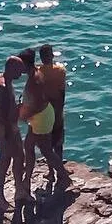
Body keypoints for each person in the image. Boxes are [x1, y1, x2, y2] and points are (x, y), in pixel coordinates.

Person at [17, 49, 67, 198]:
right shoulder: (35, 74)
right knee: (29, 146)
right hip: (40, 116)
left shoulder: (35, 80)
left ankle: (63, 176)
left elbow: (38, 105)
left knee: (46, 151)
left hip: (41, 118)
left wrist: (22, 115)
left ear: (25, 64)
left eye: (19, 64)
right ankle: (27, 179)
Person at [0, 54, 26, 211]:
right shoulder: (2, 87)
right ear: (11, 69)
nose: (21, 74)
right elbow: (0, 112)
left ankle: (19, 190)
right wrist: (8, 133)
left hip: (9, 127)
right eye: (19, 70)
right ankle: (0, 198)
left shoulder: (2, 79)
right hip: (6, 129)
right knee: (5, 161)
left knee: (18, 157)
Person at [37, 44, 70, 184]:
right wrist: (60, 108)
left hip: (44, 112)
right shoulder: (60, 71)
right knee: (58, 142)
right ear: (52, 55)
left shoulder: (38, 72)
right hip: (57, 110)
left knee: (47, 143)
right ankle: (60, 168)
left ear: (41, 58)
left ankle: (51, 172)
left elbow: (37, 95)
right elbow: (62, 93)